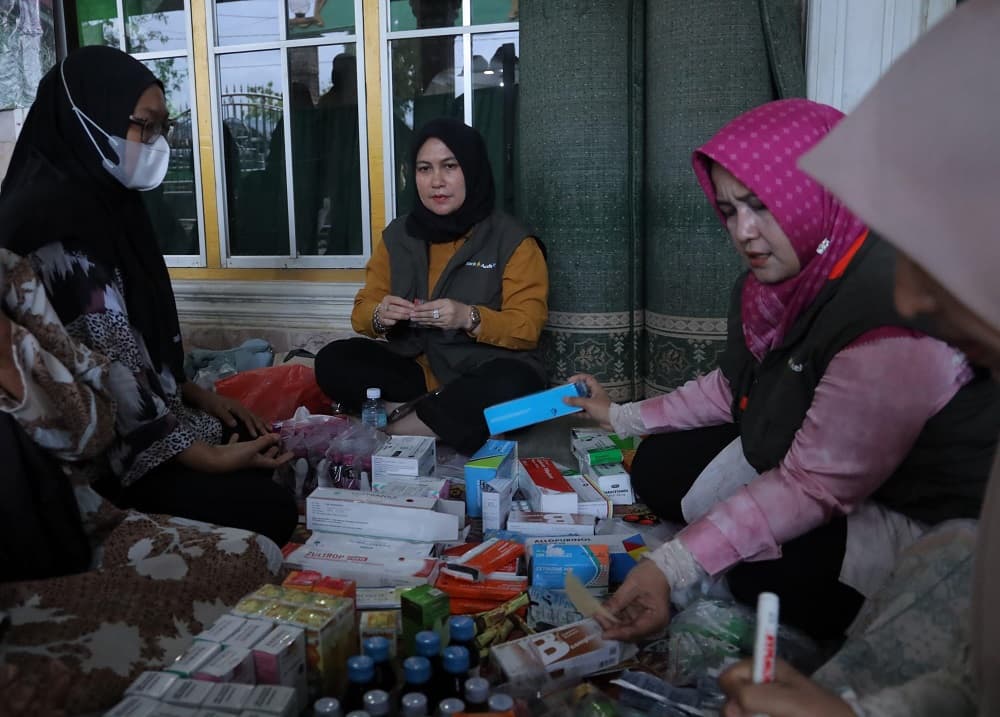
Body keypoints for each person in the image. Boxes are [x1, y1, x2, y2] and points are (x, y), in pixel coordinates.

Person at [572, 98, 1000, 641]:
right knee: (657, 462)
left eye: (762, 205)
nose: (744, 232)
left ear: (816, 190)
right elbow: (732, 386)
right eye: (729, 210)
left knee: (764, 571)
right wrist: (623, 416)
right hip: (829, 456)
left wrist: (672, 565)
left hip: (923, 514)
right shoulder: (778, 282)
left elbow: (811, 484)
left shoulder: (890, 313)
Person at [719, 0, 999, 714]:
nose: (911, 296)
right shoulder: (784, 290)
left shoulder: (874, 314)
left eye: (933, 240)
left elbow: (812, 482)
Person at [0, 46, 297, 547]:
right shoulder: (57, 230)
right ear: (85, 118)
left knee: (256, 443)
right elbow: (111, 374)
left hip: (138, 425)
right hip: (93, 459)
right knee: (265, 503)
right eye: (143, 125)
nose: (154, 142)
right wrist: (208, 457)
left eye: (161, 127)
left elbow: (134, 344)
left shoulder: (107, 205)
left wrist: (195, 392)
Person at [314, 117, 548, 455]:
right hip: (415, 369)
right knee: (333, 360)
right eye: (424, 169)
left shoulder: (512, 240)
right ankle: (437, 417)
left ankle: (394, 423)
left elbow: (528, 326)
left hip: (482, 369)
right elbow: (363, 310)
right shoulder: (398, 235)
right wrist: (381, 315)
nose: (436, 181)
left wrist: (468, 317)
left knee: (518, 386)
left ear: (473, 169)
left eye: (449, 166)